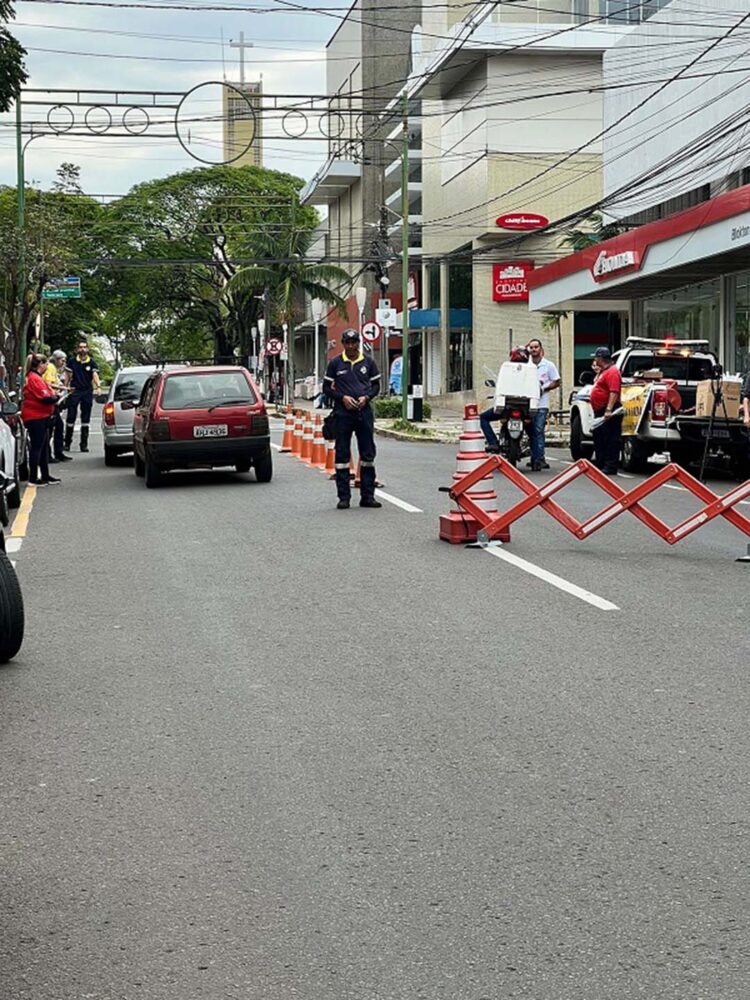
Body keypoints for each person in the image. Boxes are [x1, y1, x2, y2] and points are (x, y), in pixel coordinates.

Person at [323, 329, 382, 509]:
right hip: (342, 413)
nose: (351, 346)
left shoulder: (368, 362)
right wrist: (342, 398)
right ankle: (344, 497)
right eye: (347, 343)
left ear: (358, 343)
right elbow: (326, 388)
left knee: (367, 455)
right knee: (341, 455)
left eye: (354, 342)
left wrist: (367, 397)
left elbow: (376, 386)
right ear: (343, 344)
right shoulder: (335, 363)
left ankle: (367, 496)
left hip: (363, 413)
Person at [480, 346, 529, 454]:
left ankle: (493, 443)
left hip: (505, 408)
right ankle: (536, 457)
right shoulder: (531, 370)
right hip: (525, 409)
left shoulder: (506, 369)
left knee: (482, 418)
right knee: (536, 431)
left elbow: (500, 385)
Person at [21, 354, 61, 486]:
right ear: (41, 364)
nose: (46, 367)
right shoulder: (34, 379)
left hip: (41, 416)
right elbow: (45, 398)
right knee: (37, 447)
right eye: (45, 364)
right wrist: (56, 397)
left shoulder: (36, 378)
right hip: (35, 416)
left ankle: (45, 474)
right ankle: (33, 478)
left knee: (43, 446)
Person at [525, 338, 560, 472]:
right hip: (526, 404)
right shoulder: (525, 364)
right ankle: (534, 457)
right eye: (531, 347)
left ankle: (539, 458)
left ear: (540, 349)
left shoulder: (548, 365)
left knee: (538, 431)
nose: (533, 350)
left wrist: (544, 388)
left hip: (541, 404)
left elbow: (556, 381)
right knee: (530, 432)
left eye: (536, 347)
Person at [590, 347, 623, 476]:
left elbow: (614, 391)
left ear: (601, 359)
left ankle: (610, 465)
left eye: (596, 358)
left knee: (610, 439)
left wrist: (609, 409)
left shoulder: (612, 372)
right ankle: (601, 463)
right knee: (600, 438)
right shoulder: (604, 371)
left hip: (609, 410)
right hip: (600, 409)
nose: (594, 360)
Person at [64, 339, 100, 452]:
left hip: (87, 391)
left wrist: (98, 387)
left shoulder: (92, 362)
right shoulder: (72, 361)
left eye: (84, 347)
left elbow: (95, 375)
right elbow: (68, 375)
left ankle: (83, 444)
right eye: (80, 347)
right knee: (71, 417)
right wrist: (65, 389)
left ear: (88, 349)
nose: (82, 349)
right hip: (75, 391)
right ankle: (67, 443)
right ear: (77, 349)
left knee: (85, 418)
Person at [44, 350, 72, 463]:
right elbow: (49, 383)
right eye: (62, 360)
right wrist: (64, 389)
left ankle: (57, 452)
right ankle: (51, 453)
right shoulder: (51, 367)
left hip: (54, 400)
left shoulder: (54, 369)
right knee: (53, 428)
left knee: (58, 427)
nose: (63, 363)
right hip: (51, 401)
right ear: (56, 359)